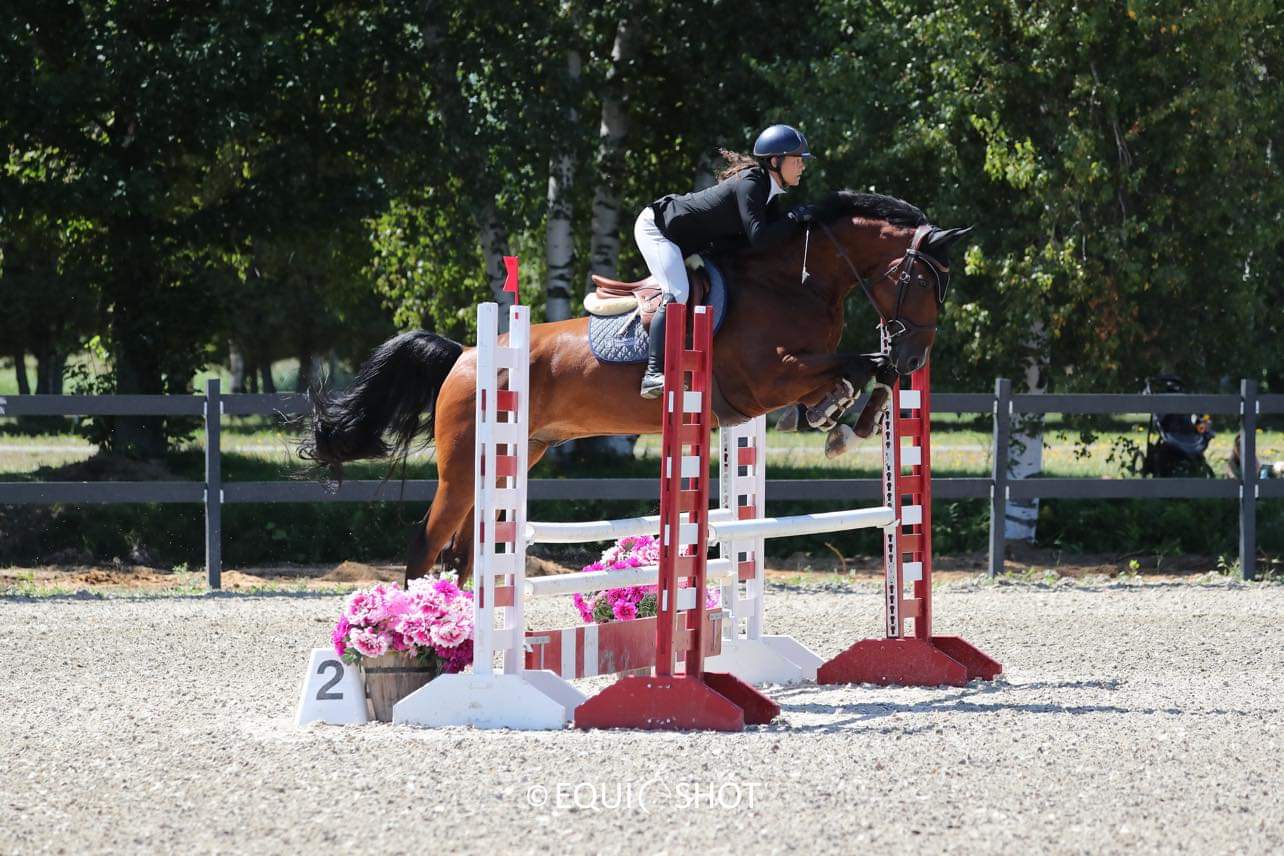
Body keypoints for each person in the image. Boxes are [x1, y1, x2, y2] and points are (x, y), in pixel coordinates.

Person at [633, 124, 816, 397]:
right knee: (678, 292)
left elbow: (766, 244)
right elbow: (760, 238)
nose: (802, 166)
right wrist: (794, 218)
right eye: (797, 159)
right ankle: (653, 374)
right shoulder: (753, 183)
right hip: (659, 230)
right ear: (775, 161)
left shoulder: (770, 193)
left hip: (686, 240)